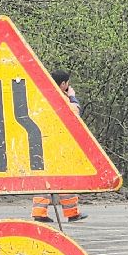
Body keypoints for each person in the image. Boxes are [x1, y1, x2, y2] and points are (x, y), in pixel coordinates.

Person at [32, 70, 88, 223]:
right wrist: (72, 96)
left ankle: (39, 212)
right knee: (67, 179)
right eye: (67, 83)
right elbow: (74, 113)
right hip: (58, 146)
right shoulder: (60, 98)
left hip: (42, 143)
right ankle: (71, 212)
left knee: (44, 179)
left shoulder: (41, 96)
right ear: (63, 84)